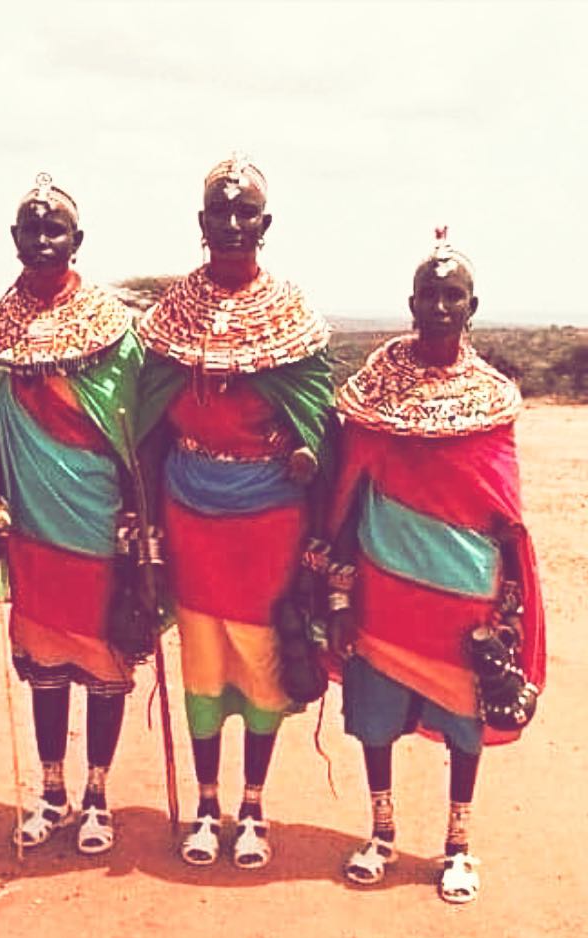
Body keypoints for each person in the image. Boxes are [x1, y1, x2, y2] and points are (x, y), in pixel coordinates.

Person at [326, 228, 546, 903]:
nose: (441, 306)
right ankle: (382, 831)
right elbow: (349, 481)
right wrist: (331, 567)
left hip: (464, 586)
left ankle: (458, 846)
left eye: (453, 296)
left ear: (471, 306)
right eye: (431, 294)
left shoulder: (490, 400)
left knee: (463, 723)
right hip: (385, 580)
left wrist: (511, 591)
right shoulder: (373, 394)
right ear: (412, 301)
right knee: (374, 714)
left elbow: (503, 504)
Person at [136, 154, 334, 869]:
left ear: (265, 223)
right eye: (219, 214)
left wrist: (299, 445)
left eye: (244, 213)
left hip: (269, 520)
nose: (231, 224)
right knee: (202, 659)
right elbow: (150, 422)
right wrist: (147, 518)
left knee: (259, 656)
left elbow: (319, 413)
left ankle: (253, 806)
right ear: (201, 224)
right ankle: (207, 804)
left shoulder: (293, 317)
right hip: (188, 514)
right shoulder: (168, 320)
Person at [0, 173, 145, 856]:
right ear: (14, 240)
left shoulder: (119, 333)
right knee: (44, 660)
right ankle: (51, 792)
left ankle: (98, 796)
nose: (43, 240)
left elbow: (141, 425)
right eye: (31, 230)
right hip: (33, 529)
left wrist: (139, 512)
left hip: (100, 525)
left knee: (105, 661)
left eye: (56, 230)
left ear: (78, 240)